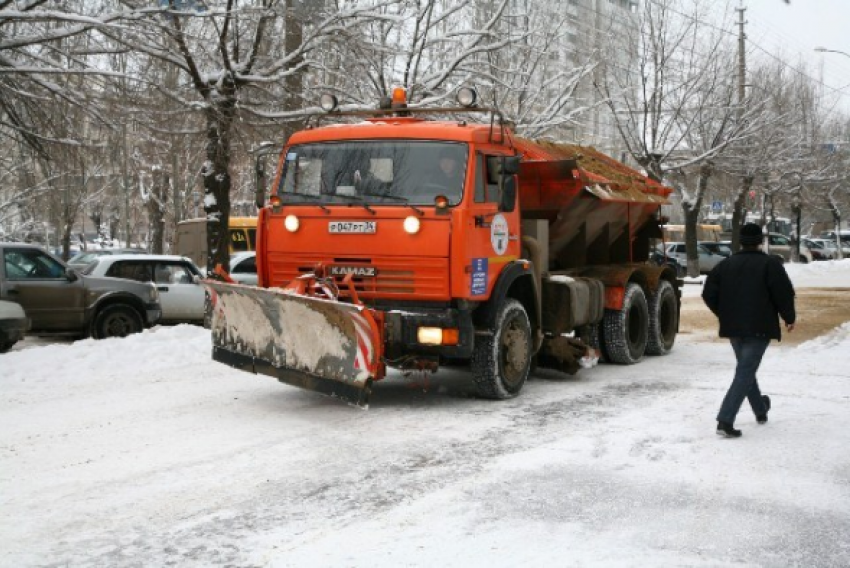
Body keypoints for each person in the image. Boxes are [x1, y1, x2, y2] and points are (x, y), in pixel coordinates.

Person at [702, 222, 796, 438]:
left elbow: (708, 293)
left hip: (734, 328)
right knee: (745, 371)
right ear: (761, 241)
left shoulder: (726, 265)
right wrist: (789, 317)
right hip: (759, 328)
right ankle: (725, 420)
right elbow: (783, 293)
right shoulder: (770, 264)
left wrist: (723, 313)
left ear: (741, 241)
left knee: (746, 369)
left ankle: (760, 409)